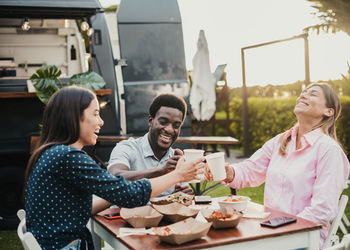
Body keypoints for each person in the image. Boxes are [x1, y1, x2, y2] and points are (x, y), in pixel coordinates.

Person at [24, 86, 204, 250]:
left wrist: (113, 194)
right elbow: (130, 193)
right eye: (95, 114)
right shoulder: (68, 157)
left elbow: (81, 209)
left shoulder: (53, 153)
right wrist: (177, 175)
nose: (101, 122)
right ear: (73, 116)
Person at [205, 82, 349, 248]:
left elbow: (322, 210)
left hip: (303, 238)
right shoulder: (281, 141)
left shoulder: (329, 150)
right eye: (303, 92)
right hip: (271, 230)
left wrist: (282, 228)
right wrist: (228, 171)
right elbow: (250, 170)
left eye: (313, 94)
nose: (303, 95)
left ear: (328, 111)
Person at [107, 93, 193, 196]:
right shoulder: (127, 148)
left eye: (176, 125)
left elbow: (179, 195)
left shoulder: (177, 159)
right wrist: (161, 171)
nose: (169, 130)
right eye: (163, 122)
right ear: (150, 121)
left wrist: (181, 194)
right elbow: (115, 178)